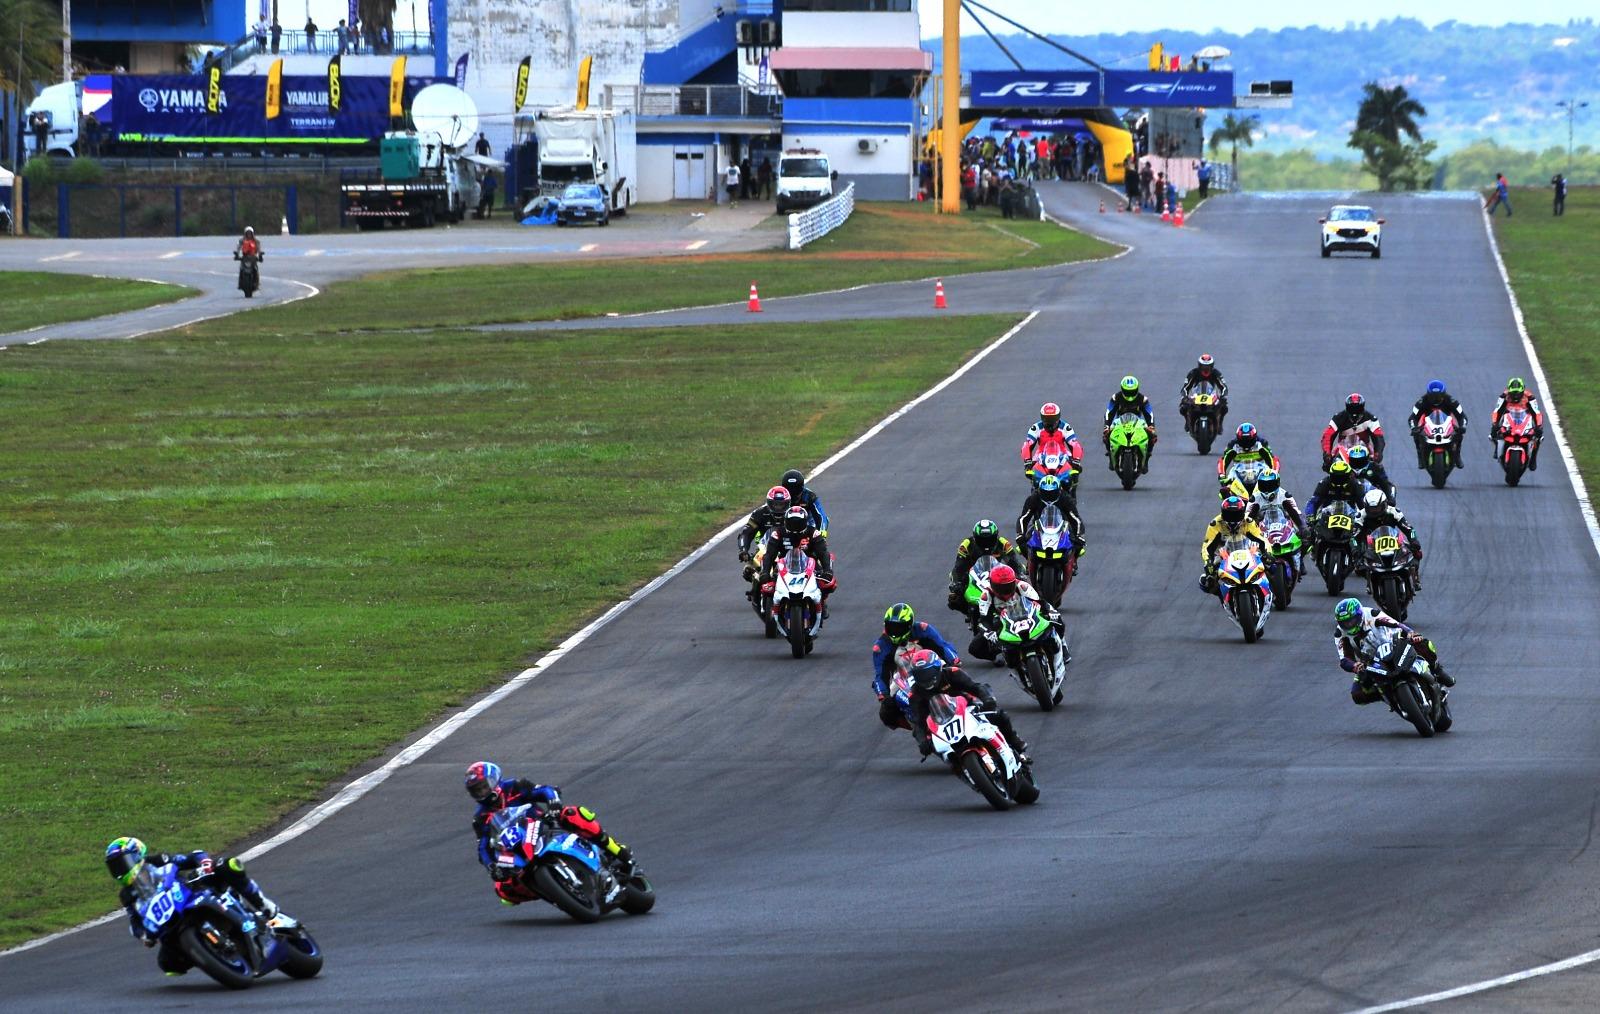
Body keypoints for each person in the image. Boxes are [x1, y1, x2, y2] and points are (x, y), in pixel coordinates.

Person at [464, 762, 632, 904]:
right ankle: (552, 892)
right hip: (519, 849)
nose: (481, 793)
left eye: (483, 787)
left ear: (494, 781)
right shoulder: (480, 818)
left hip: (544, 826)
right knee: (502, 890)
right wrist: (491, 866)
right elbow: (484, 847)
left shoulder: (514, 786)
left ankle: (616, 849)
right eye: (476, 791)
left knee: (573, 814)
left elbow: (544, 790)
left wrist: (553, 802)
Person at [106, 837, 277, 973]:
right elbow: (134, 922)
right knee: (168, 965)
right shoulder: (127, 894)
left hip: (191, 892)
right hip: (171, 920)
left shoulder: (158, 861)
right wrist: (144, 936)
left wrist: (204, 862)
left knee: (228, 866)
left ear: (137, 855)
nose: (120, 870)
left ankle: (262, 904)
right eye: (114, 867)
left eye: (121, 863)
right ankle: (209, 955)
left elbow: (192, 856)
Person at [904, 649, 1029, 762]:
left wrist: (988, 700)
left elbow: (976, 687)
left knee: (999, 716)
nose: (925, 679)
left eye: (928, 673)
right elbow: (918, 721)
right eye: (920, 675)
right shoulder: (915, 694)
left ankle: (1017, 747)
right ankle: (961, 767)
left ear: (938, 668)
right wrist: (922, 741)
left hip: (968, 709)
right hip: (941, 723)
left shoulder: (953, 673)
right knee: (933, 747)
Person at [1332, 598, 1452, 706]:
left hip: (1392, 644)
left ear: (1359, 615)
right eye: (1345, 623)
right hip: (1369, 661)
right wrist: (1354, 666)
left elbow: (1395, 624)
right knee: (1357, 694)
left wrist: (1410, 633)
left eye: (1351, 621)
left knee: (1421, 642)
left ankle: (1437, 669)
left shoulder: (1371, 614)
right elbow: (1344, 659)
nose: (1349, 625)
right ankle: (1386, 696)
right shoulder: (1340, 633)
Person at [872, 603, 960, 729]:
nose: (894, 632)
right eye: (890, 627)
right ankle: (917, 728)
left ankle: (975, 706)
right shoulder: (881, 646)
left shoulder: (923, 629)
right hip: (904, 676)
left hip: (932, 666)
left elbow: (942, 646)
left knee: (957, 681)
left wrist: (953, 660)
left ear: (909, 625)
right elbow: (880, 676)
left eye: (898, 628)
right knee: (886, 712)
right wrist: (883, 696)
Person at [969, 563, 1069, 673]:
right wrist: (989, 633)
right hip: (1002, 623)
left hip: (1027, 615)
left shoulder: (1022, 586)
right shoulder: (986, 596)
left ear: (1014, 582)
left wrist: (1051, 613)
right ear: (992, 585)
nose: (1005, 591)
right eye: (1000, 588)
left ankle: (1062, 644)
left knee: (1056, 619)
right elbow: (984, 620)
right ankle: (998, 654)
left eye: (1008, 586)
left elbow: (1041, 604)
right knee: (974, 648)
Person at [758, 506, 836, 616]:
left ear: (805, 522)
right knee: (768, 586)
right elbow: (769, 555)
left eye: (798, 522)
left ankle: (822, 602)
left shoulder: (813, 533)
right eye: (792, 522)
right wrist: (765, 572)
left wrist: (827, 570)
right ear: (786, 522)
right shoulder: (778, 533)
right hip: (784, 566)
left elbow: (823, 553)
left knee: (826, 582)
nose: (795, 526)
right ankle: (772, 610)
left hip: (809, 565)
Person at [948, 519, 1027, 611]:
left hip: (997, 572)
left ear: (996, 536)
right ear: (975, 537)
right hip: (972, 574)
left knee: (1020, 585)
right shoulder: (966, 544)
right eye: (982, 540)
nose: (986, 543)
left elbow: (1013, 561)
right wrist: (957, 583)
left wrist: (1020, 573)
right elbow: (959, 566)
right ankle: (968, 610)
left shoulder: (1003, 543)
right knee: (956, 594)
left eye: (989, 539)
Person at [1199, 495, 1269, 595]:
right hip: (1224, 554)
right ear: (1223, 513)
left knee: (1271, 565)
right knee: (1207, 581)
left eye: (1236, 515)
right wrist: (1208, 562)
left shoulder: (1248, 521)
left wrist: (1268, 553)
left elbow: (1262, 539)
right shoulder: (1215, 524)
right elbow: (1207, 546)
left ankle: (1269, 590)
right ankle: (1222, 595)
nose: (1232, 518)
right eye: (1229, 515)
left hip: (1249, 551)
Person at [1355, 488, 1423, 588]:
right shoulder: (1361, 515)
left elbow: (1409, 529)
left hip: (1393, 540)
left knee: (1416, 552)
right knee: (1358, 566)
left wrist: (1414, 540)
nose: (1374, 511)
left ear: (1384, 504)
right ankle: (1370, 583)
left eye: (1377, 508)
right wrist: (1355, 549)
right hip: (1370, 545)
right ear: (1365, 506)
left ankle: (1415, 579)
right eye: (1371, 509)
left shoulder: (1394, 512)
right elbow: (1353, 535)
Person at [1016, 473, 1086, 554]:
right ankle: (1029, 563)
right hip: (1038, 527)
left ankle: (1072, 562)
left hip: (1063, 527)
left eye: (1052, 492)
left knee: (1077, 545)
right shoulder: (1034, 498)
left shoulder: (1065, 498)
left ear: (1059, 490)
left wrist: (1079, 536)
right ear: (1039, 490)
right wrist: (1020, 534)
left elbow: (1075, 519)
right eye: (1045, 492)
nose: (1049, 495)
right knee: (1023, 544)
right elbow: (1023, 518)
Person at [1407, 379, 1467, 471]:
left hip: (1446, 425)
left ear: (1444, 395)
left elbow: (1462, 416)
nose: (1436, 399)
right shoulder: (1421, 402)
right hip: (1428, 425)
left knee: (1459, 435)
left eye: (1438, 397)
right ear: (1428, 395)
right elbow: (1412, 418)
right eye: (1433, 397)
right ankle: (1420, 455)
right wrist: (1414, 428)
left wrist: (1462, 426)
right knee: (1416, 435)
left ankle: (1457, 455)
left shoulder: (1451, 401)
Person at [1103, 375, 1157, 472]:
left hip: (1138, 423)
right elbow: (1109, 412)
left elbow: (1149, 414)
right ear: (1122, 389)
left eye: (1132, 391)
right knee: (1106, 434)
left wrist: (1151, 426)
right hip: (1119, 422)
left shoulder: (1143, 399)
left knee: (1152, 436)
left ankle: (1147, 458)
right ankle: (1111, 457)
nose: (1130, 394)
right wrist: (1107, 425)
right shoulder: (1116, 398)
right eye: (1127, 392)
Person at [737, 485, 792, 580]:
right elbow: (746, 533)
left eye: (781, 504)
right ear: (769, 503)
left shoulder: (793, 514)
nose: (778, 508)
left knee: (812, 563)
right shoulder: (759, 513)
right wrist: (743, 550)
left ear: (787, 504)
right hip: (765, 548)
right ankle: (755, 592)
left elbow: (806, 532)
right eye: (776, 504)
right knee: (748, 570)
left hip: (789, 548)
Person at [1489, 377, 1545, 470]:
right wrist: (1495, 423)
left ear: (1523, 391)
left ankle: (1533, 458)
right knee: (1494, 432)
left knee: (1538, 436)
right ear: (1509, 390)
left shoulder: (1530, 397)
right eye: (1513, 393)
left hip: (1525, 417)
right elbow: (1497, 411)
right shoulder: (1503, 396)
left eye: (1517, 393)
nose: (1515, 396)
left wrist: (1538, 425)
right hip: (1508, 416)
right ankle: (1497, 447)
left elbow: (1537, 412)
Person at [1020, 401, 1084, 481]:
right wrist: (1027, 461)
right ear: (1042, 417)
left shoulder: (1065, 427)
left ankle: (1072, 488)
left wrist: (1076, 460)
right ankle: (1036, 486)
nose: (1050, 421)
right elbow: (1027, 445)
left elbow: (1075, 444)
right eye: (1047, 418)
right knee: (1030, 471)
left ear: (1058, 417)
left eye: (1052, 418)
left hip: (1062, 453)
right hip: (1041, 454)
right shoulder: (1036, 428)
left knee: (1075, 469)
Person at [1321, 393, 1386, 468]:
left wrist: (1378, 453)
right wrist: (1327, 454)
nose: (1355, 413)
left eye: (1358, 409)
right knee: (1330, 468)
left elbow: (1379, 437)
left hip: (1364, 450)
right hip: (1342, 450)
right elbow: (1328, 435)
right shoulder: (1338, 418)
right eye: (1352, 409)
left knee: (1377, 470)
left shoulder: (1371, 419)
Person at [1179, 354, 1228, 432]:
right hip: (1196, 395)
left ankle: (1220, 423)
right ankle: (1188, 422)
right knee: (1183, 408)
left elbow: (1224, 387)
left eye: (1208, 367)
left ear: (1212, 367)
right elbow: (1185, 387)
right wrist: (1184, 397)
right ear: (1199, 366)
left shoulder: (1216, 373)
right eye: (1203, 367)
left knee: (1224, 407)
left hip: (1211, 395)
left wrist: (1223, 396)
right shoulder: (1193, 373)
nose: (1206, 369)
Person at [778, 468, 829, 535]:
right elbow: (767, 513)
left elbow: (821, 516)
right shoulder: (777, 496)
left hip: (807, 525)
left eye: (796, 494)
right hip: (784, 525)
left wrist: (822, 533)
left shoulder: (810, 496)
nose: (793, 497)